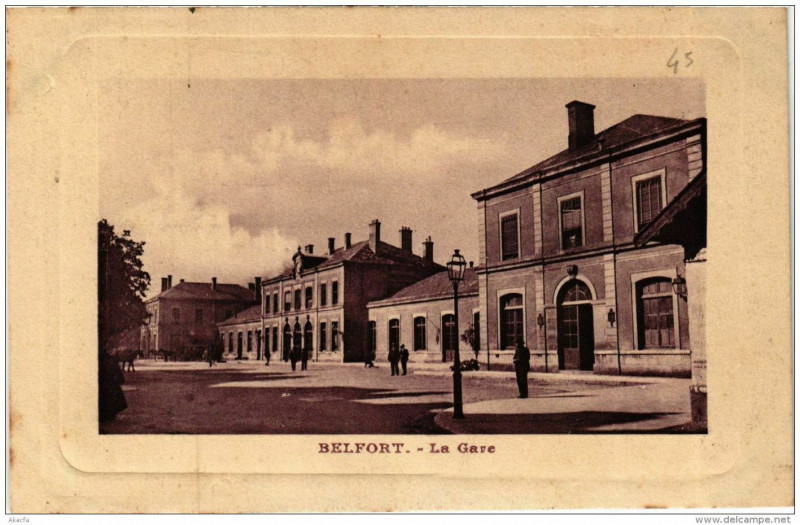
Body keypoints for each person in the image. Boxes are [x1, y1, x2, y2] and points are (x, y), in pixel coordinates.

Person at [99, 349, 127, 422]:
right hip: (110, 383)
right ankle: (110, 415)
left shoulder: (105, 358)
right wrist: (121, 379)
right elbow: (117, 371)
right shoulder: (110, 359)